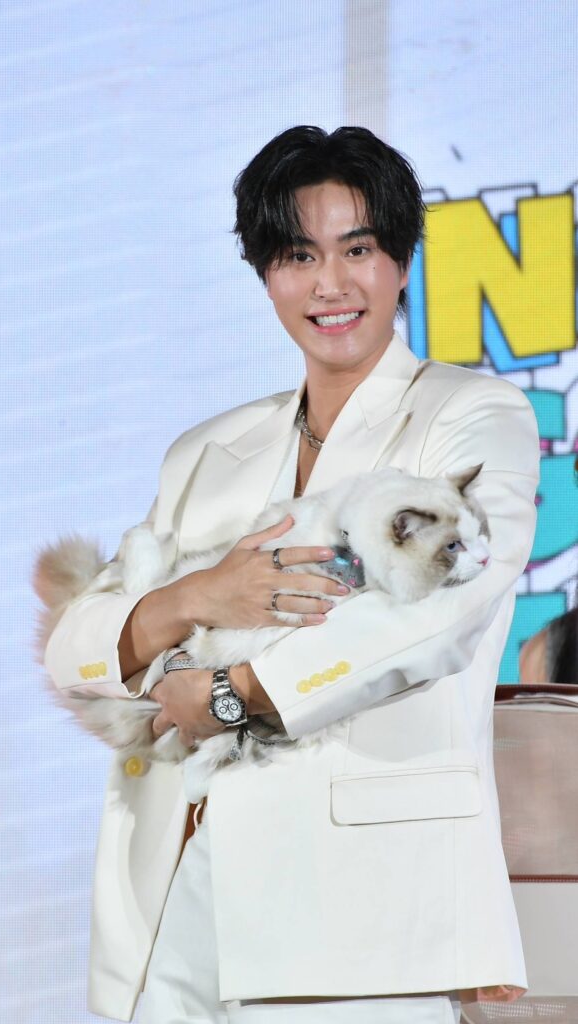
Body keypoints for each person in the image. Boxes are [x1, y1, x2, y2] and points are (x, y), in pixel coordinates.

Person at [44, 127, 540, 1023]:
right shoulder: (206, 451)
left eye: (357, 249)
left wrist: (231, 693)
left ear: (401, 263)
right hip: (176, 891)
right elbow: (78, 646)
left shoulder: (471, 414)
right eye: (297, 256)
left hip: (358, 911)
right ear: (264, 273)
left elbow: (440, 614)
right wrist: (192, 598)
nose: (329, 285)